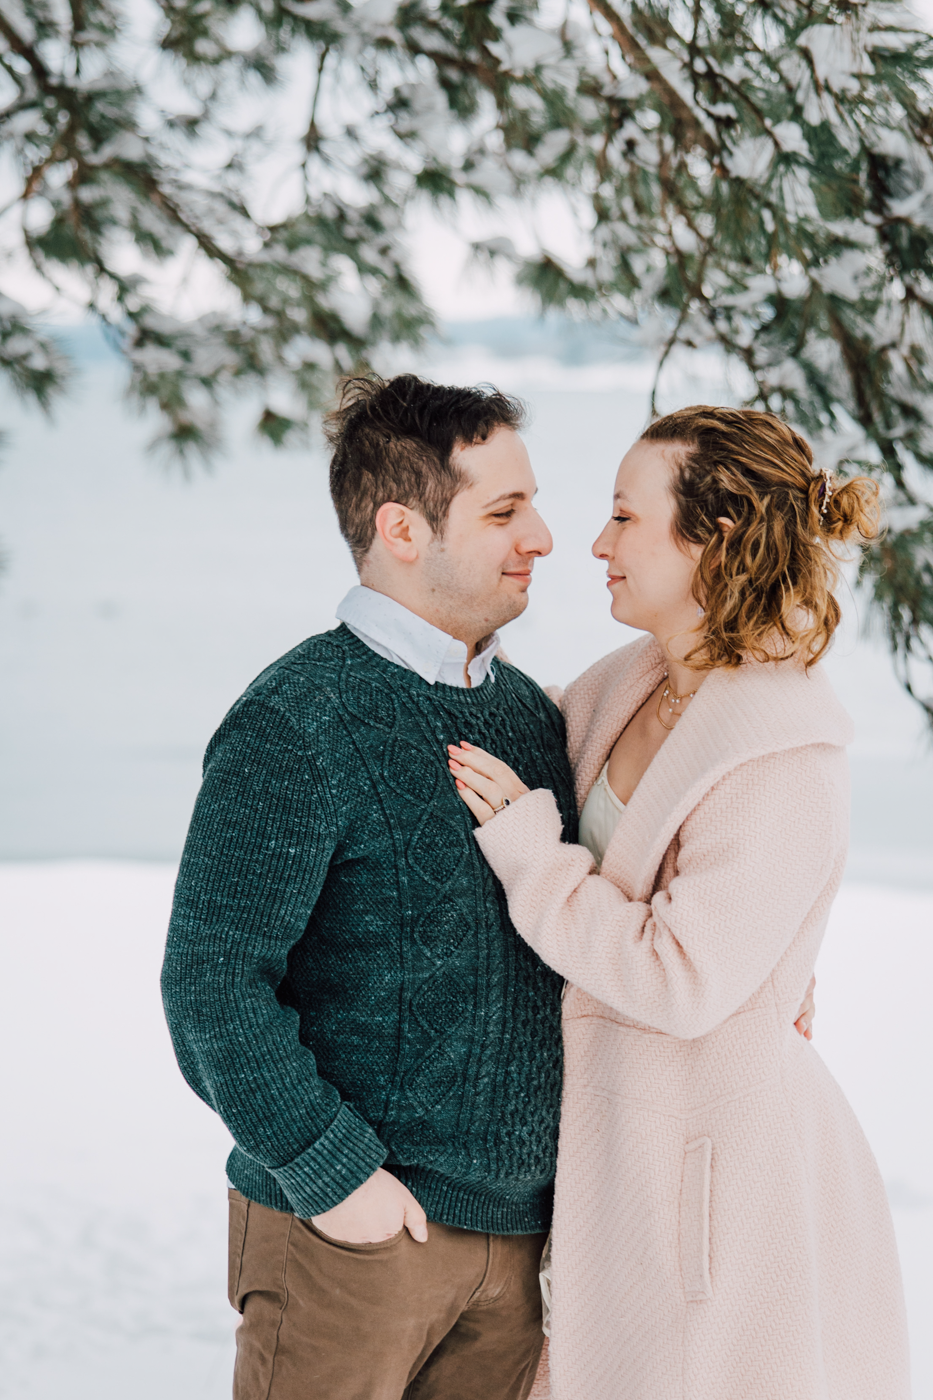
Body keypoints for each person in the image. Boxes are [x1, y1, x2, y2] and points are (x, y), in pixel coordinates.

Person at [161, 378, 815, 1400]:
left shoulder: (534, 718)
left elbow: (647, 875)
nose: (545, 538)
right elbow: (211, 981)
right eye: (505, 512)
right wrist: (332, 1173)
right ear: (402, 530)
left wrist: (775, 967)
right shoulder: (297, 719)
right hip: (354, 1237)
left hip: (523, 1256)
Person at [449, 406, 910, 1400]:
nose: (597, 543)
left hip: (717, 1185)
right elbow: (530, 776)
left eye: (625, 517)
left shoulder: (779, 751)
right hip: (605, 1154)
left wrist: (530, 855)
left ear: (716, 536)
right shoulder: (626, 682)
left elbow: (680, 978)